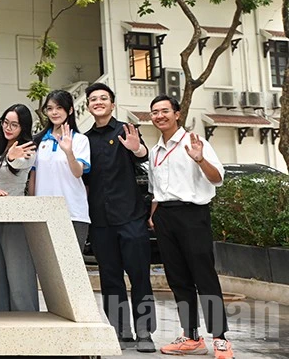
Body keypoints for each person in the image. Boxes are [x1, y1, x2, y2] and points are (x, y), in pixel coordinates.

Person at [147, 95, 232, 359]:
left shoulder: (195, 142)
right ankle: (191, 336)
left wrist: (200, 159)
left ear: (177, 114)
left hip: (193, 215)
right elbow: (156, 190)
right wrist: (153, 216)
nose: (159, 116)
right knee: (178, 279)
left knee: (204, 276)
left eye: (164, 111)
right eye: (154, 112)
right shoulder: (154, 151)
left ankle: (220, 338)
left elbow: (217, 178)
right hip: (165, 217)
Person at [83, 83, 156, 352]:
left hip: (130, 217)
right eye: (93, 99)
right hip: (100, 220)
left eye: (104, 98)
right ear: (88, 107)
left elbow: (144, 157)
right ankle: (119, 330)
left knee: (139, 275)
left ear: (112, 104)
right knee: (110, 277)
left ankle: (145, 332)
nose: (98, 102)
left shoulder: (126, 130)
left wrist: (137, 149)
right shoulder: (85, 139)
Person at [0, 103, 39, 312]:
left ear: (23, 127)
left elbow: (20, 165)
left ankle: (27, 321)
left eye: (14, 125)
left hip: (15, 217)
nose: (8, 128)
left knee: (19, 275)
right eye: (6, 122)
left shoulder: (28, 149)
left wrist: (12, 158)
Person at [29, 89, 91, 251]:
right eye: (50, 108)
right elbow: (33, 176)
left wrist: (69, 152)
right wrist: (32, 206)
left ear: (70, 110)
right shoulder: (38, 141)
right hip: (44, 212)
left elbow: (78, 173)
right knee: (45, 262)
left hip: (73, 211)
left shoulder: (80, 140)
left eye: (59, 108)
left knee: (72, 263)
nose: (54, 112)